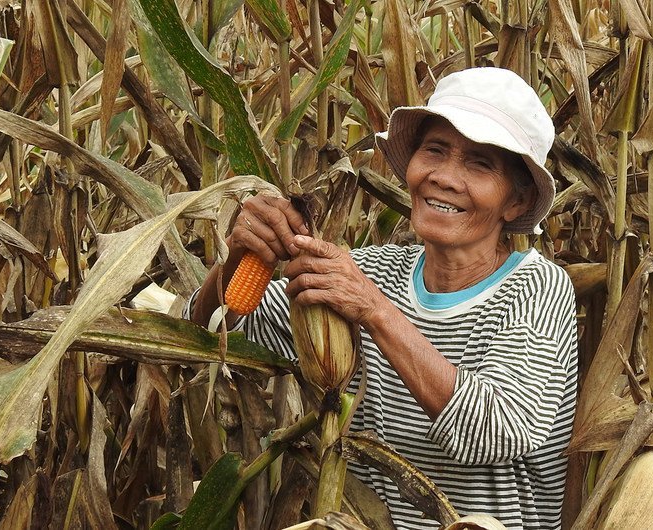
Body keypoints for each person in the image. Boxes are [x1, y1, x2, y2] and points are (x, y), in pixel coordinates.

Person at [188, 67, 578, 530]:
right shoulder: (375, 271)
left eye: (479, 164)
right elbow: (212, 335)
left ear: (516, 202)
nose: (445, 177)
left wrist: (375, 311)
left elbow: (494, 430)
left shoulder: (537, 289)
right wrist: (239, 260)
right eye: (434, 150)